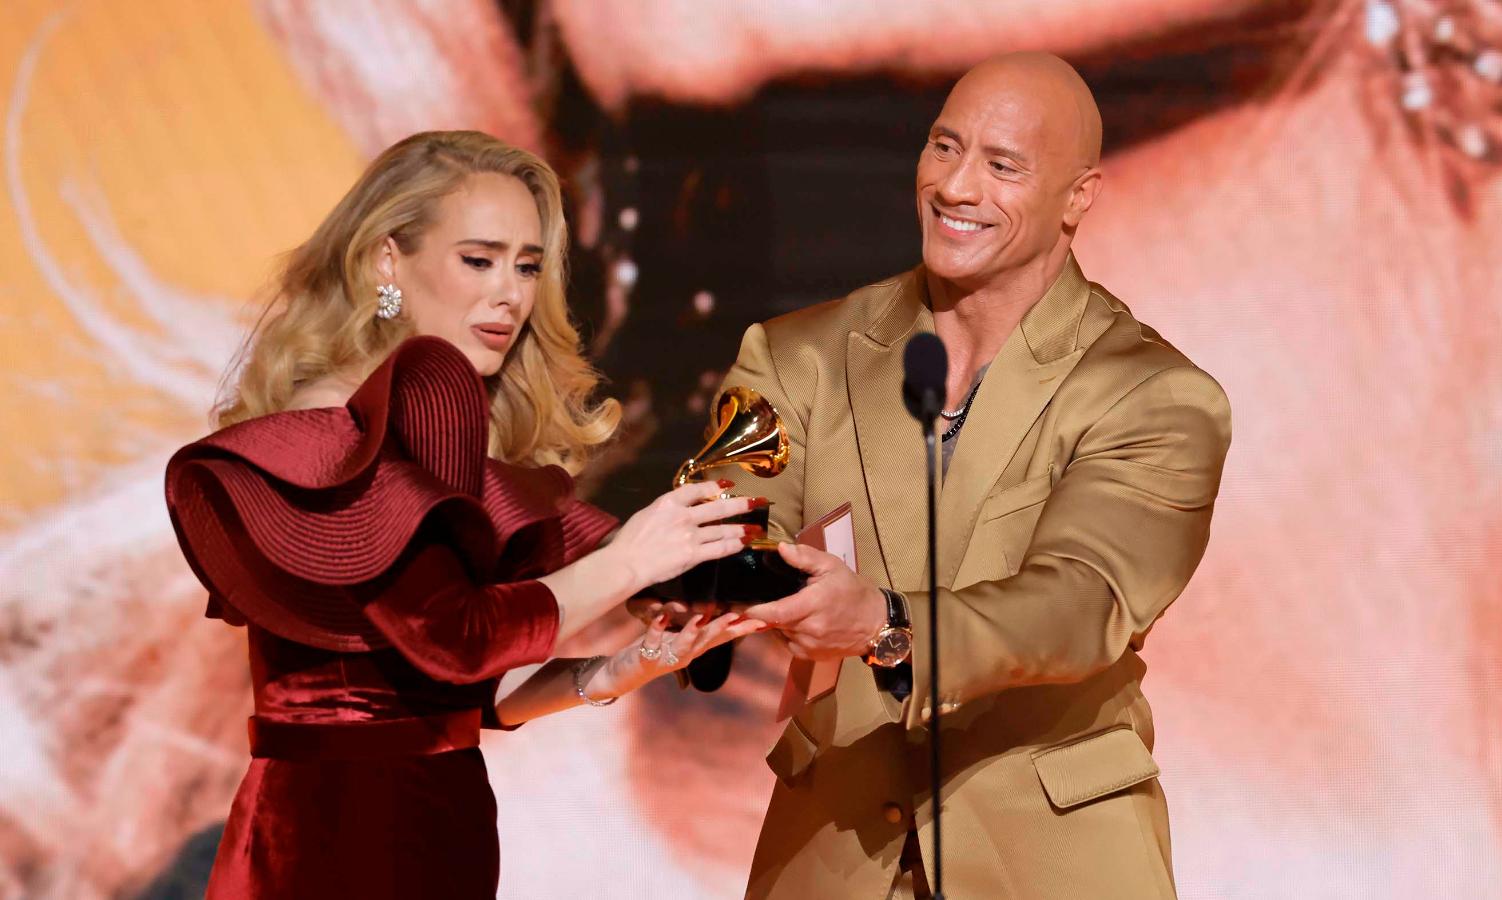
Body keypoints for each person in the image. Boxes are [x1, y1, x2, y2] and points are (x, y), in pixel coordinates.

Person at [163, 130, 766, 899]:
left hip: (433, 828)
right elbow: (456, 638)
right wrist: (628, 563)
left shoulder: (430, 438)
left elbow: (460, 701)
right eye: (478, 261)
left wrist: (626, 666)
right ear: (387, 261)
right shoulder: (330, 440)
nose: (509, 295)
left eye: (527, 266)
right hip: (335, 843)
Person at [724, 54, 1232, 899]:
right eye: (943, 148)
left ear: (1079, 197)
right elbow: (723, 518)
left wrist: (880, 621)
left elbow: (1081, 603)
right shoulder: (793, 356)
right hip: (832, 848)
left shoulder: (1157, 396)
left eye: (1002, 166)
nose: (957, 188)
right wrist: (735, 576)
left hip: (1054, 859)